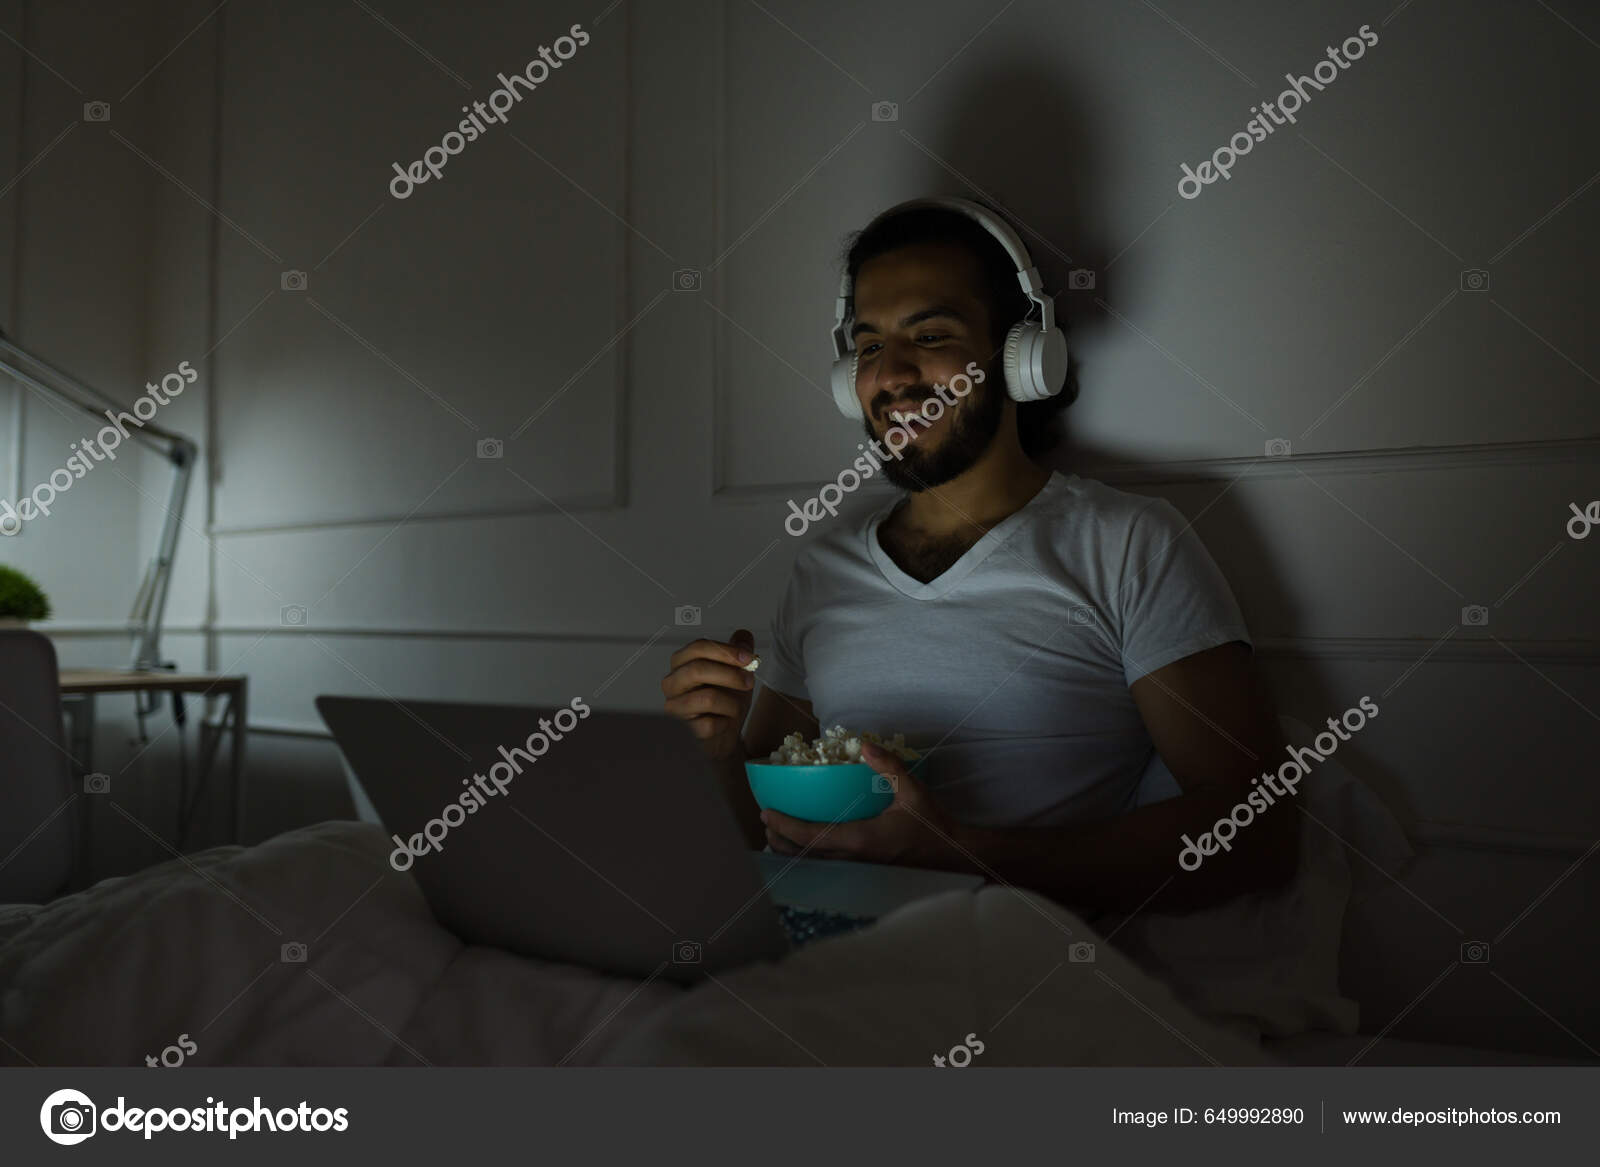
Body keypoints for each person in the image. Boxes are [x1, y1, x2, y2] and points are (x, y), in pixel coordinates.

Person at [661, 200, 1295, 916]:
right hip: (834, 964)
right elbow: (765, 836)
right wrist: (715, 751)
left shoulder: (1128, 543)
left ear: (1023, 357)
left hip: (1024, 973)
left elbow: (1261, 834)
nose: (891, 374)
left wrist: (961, 855)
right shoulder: (820, 571)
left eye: (929, 333)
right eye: (868, 346)